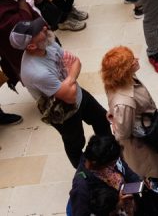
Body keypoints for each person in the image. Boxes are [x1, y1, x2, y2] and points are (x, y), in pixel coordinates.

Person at [11, 17, 111, 164]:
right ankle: (85, 172)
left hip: (78, 94)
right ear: (31, 46)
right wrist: (72, 75)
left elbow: (76, 61)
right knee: (76, 143)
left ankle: (109, 152)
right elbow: (69, 97)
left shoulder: (48, 43)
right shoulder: (37, 72)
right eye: (39, 31)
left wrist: (69, 79)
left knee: (101, 119)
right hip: (63, 112)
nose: (45, 28)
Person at [100, 46, 158, 179]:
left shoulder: (120, 80)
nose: (137, 60)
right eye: (132, 60)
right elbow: (123, 132)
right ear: (124, 70)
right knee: (155, 174)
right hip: (144, 145)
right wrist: (115, 120)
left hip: (149, 129)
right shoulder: (124, 101)